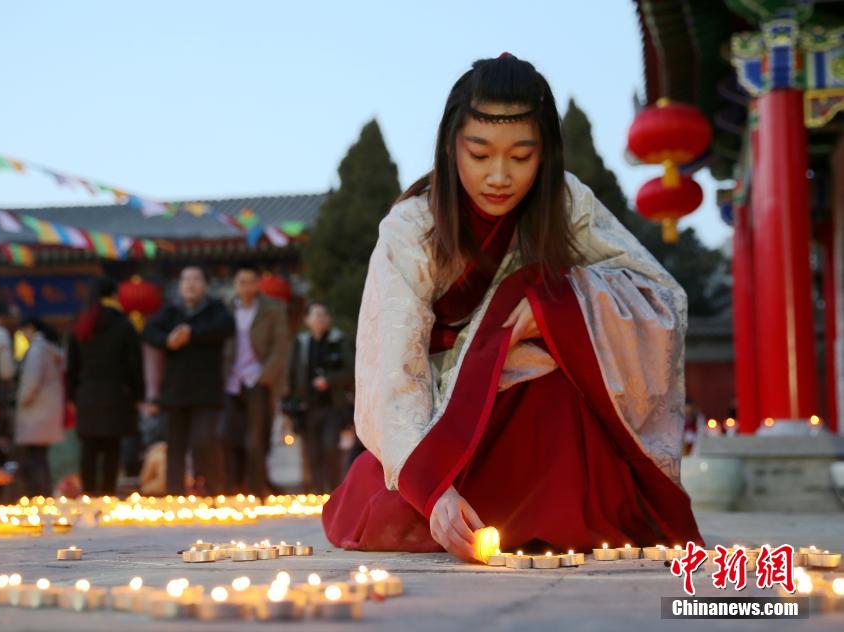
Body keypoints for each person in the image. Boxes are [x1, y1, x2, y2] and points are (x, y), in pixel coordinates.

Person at [322, 54, 703, 561]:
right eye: (479, 154)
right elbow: (390, 364)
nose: (499, 176)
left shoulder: (566, 205)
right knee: (395, 515)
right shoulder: (413, 228)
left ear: (545, 154)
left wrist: (558, 304)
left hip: (540, 412)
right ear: (450, 145)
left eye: (521, 157)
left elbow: (660, 297)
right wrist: (433, 488)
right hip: (444, 421)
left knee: (560, 404)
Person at [143, 266, 235, 495]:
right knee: (174, 446)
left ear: (205, 284)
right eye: (186, 279)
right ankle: (175, 494)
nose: (190, 284)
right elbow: (149, 332)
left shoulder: (216, 309)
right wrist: (168, 340)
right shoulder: (171, 311)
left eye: (196, 279)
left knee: (204, 441)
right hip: (175, 392)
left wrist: (192, 333)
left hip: (206, 391)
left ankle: (211, 490)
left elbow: (226, 328)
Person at [67, 277, 144, 496]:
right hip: (116, 394)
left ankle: (89, 495)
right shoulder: (124, 325)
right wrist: (139, 395)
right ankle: (108, 494)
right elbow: (134, 366)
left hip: (87, 394)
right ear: (114, 295)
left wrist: (72, 396)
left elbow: (72, 367)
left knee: (88, 448)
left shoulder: (81, 325)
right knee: (112, 448)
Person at [222, 266, 290, 496]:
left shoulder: (272, 308)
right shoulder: (226, 309)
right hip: (232, 381)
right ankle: (233, 487)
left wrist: (266, 374)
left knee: (256, 440)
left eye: (250, 281)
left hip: (258, 380)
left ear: (257, 284)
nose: (246, 286)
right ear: (235, 284)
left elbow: (281, 347)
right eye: (241, 281)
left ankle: (257, 489)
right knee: (230, 435)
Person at [283, 301, 354, 492]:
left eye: (323, 315)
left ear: (329, 318)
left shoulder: (339, 341)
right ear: (307, 320)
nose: (320, 319)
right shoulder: (301, 343)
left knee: (331, 446)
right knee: (311, 452)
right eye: (315, 315)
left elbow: (351, 370)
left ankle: (334, 490)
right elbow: (291, 373)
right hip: (307, 406)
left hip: (333, 405)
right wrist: (289, 401)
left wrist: (329, 380)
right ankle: (315, 490)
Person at [15, 316, 65, 496]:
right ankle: (43, 495)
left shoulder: (37, 350)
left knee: (35, 458)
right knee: (40, 457)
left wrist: (20, 400)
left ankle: (39, 496)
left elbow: (31, 381)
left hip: (36, 412)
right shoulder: (50, 349)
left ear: (30, 328)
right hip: (48, 411)